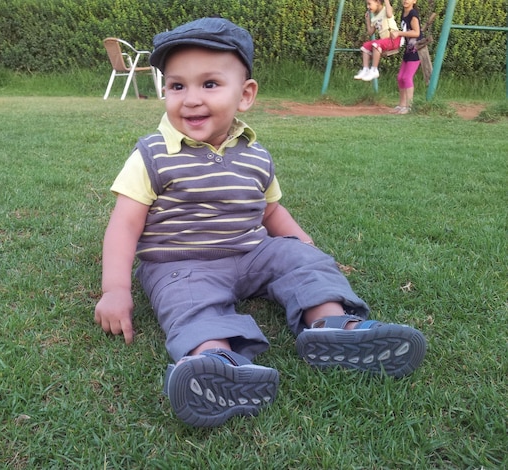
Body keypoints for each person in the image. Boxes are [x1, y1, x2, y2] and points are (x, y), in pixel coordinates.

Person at [94, 17, 427, 428]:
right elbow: (124, 225)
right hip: (181, 262)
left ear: (245, 94)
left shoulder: (256, 155)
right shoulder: (152, 154)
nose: (191, 99)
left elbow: (271, 212)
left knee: (298, 257)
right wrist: (114, 289)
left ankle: (332, 323)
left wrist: (306, 246)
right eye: (177, 86)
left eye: (210, 84)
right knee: (190, 300)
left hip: (252, 253)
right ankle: (216, 361)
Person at [354, 0, 403, 81]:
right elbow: (370, 32)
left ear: (378, 2)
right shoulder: (374, 17)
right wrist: (367, 20)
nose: (368, 7)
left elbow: (389, 14)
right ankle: (365, 69)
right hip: (385, 42)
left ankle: (374, 70)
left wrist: (386, 1)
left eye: (369, 4)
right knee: (365, 46)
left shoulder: (385, 10)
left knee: (376, 45)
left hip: (394, 39)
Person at [393, 0, 423, 114]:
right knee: (400, 77)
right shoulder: (403, 13)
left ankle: (409, 107)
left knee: (407, 77)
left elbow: (416, 33)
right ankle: (402, 105)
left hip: (416, 50)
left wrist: (399, 33)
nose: (406, 0)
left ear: (414, 1)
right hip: (408, 49)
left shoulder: (413, 14)